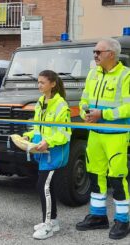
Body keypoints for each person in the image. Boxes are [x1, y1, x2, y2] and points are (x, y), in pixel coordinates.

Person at [76, 38, 130, 240]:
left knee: (117, 178)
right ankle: (98, 216)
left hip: (116, 135)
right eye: (94, 52)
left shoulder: (126, 76)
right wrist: (85, 113)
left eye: (99, 52)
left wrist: (103, 114)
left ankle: (123, 220)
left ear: (112, 54)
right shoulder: (93, 74)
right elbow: (84, 100)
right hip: (95, 134)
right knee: (94, 175)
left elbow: (128, 108)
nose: (95, 55)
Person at [22, 70, 71, 240]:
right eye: (38, 82)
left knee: (43, 187)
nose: (39, 85)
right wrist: (28, 135)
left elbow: (65, 133)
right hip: (43, 153)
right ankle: (53, 221)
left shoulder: (61, 105)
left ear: (52, 84)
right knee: (45, 187)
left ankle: (48, 225)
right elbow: (38, 126)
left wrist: (48, 142)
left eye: (42, 82)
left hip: (54, 154)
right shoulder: (41, 102)